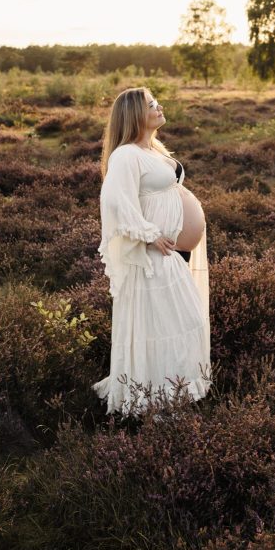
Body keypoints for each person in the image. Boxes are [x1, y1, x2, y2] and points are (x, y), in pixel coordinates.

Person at [92, 86, 211, 417]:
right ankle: (154, 400)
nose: (160, 107)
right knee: (164, 326)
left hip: (172, 255)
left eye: (157, 101)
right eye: (152, 105)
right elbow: (115, 200)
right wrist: (147, 234)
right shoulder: (126, 155)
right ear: (134, 115)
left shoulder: (154, 149)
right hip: (152, 258)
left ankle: (175, 392)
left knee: (183, 321)